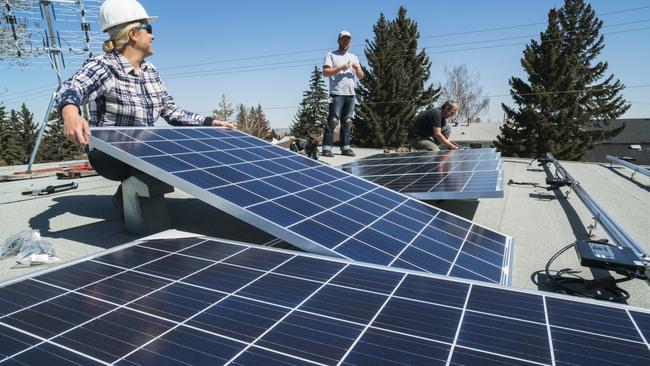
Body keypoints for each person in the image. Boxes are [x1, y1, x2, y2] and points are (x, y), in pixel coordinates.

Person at [55, 0, 235, 216]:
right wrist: (70, 112)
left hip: (144, 148)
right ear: (133, 34)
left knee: (182, 147)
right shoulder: (104, 66)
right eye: (148, 29)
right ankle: (130, 202)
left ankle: (129, 195)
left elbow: (170, 110)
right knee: (159, 151)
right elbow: (71, 87)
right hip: (108, 154)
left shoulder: (151, 71)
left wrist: (210, 123)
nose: (153, 36)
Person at [321, 30, 364, 157]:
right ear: (339, 40)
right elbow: (325, 72)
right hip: (336, 93)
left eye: (348, 40)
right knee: (333, 121)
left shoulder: (354, 57)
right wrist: (340, 68)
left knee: (348, 121)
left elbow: (361, 76)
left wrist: (357, 69)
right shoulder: (331, 55)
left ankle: (345, 147)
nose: (345, 42)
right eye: (343, 39)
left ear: (350, 42)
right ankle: (327, 147)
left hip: (351, 95)